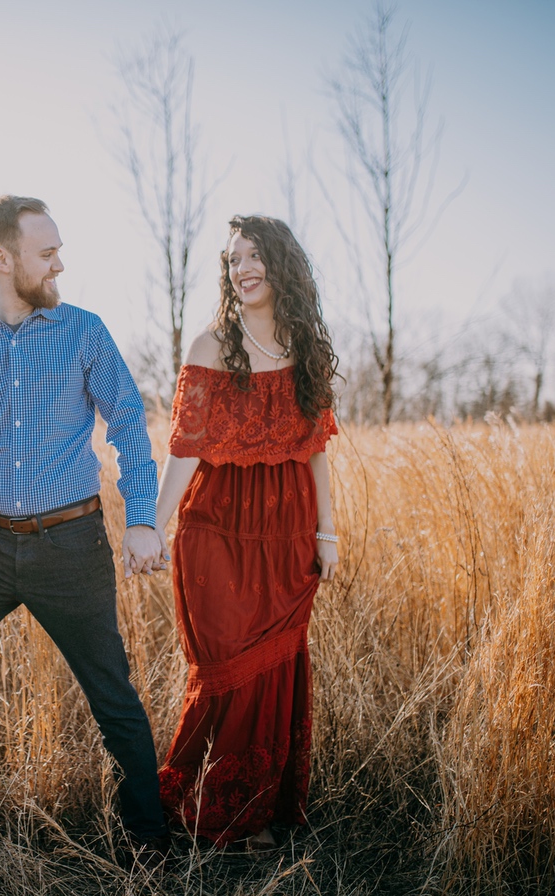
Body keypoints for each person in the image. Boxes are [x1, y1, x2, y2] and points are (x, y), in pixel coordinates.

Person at [0, 195, 171, 862]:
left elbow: (129, 426)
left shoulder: (83, 331)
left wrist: (141, 519)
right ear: (2, 258)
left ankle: (149, 842)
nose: (59, 265)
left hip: (71, 545)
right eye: (47, 253)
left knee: (112, 695)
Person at [153, 214, 339, 849]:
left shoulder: (305, 347)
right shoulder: (212, 346)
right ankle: (203, 809)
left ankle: (255, 814)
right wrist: (152, 524)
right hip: (216, 529)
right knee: (223, 666)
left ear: (280, 265)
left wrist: (328, 533)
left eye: (254, 256)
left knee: (276, 668)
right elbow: (184, 448)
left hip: (288, 531)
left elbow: (316, 450)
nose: (243, 269)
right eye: (234, 260)